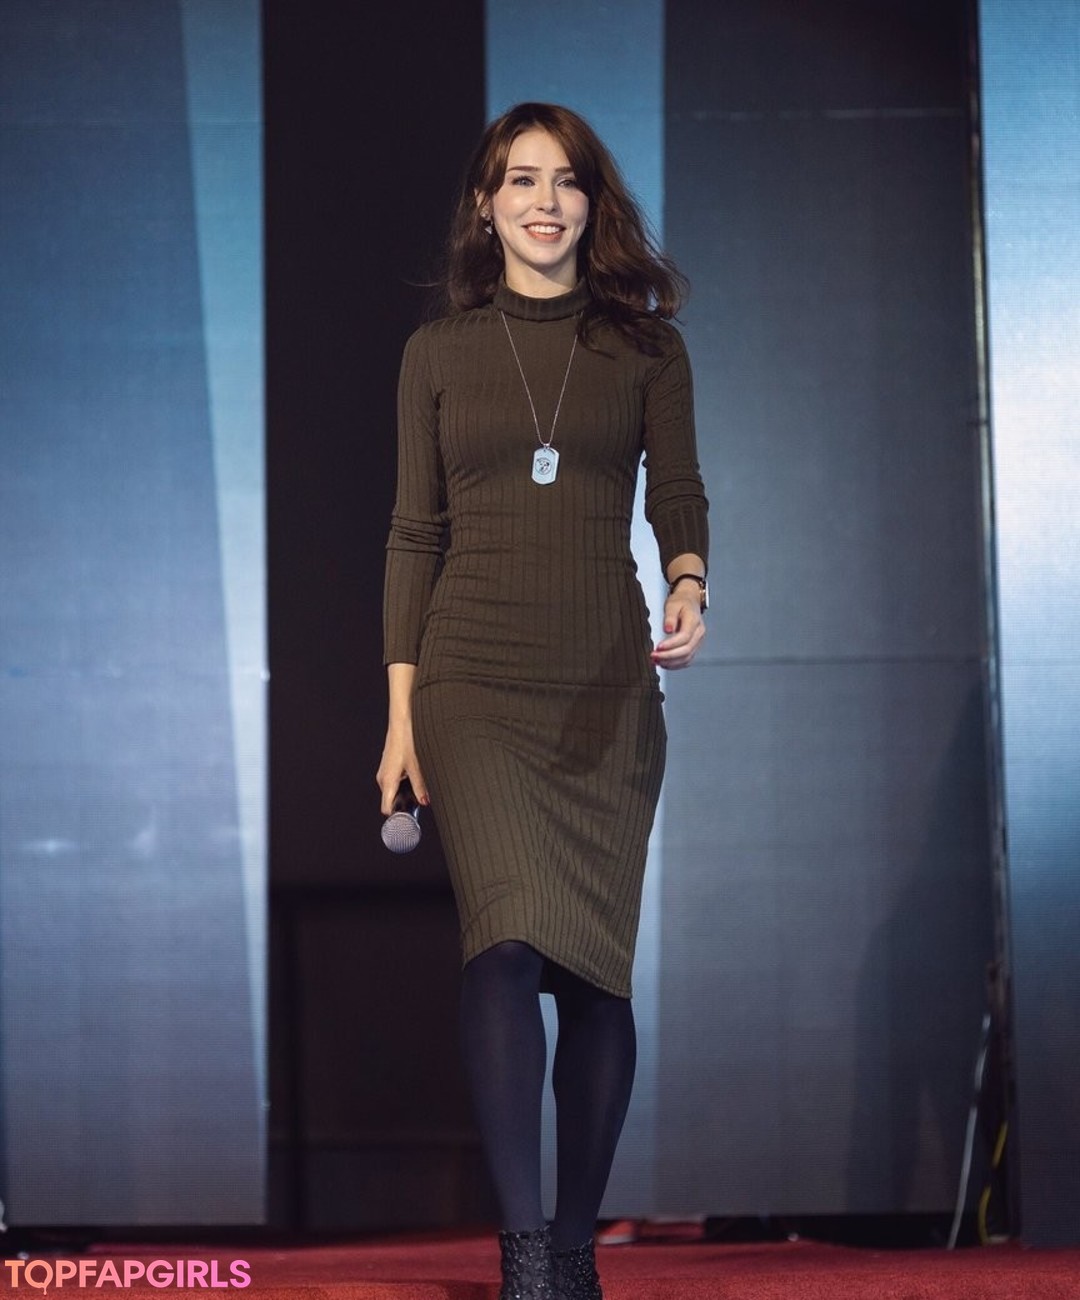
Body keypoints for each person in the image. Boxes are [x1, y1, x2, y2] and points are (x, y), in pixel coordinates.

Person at [377, 102, 709, 1300]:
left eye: (565, 180)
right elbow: (413, 534)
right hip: (470, 679)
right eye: (520, 179)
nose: (544, 201)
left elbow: (678, 486)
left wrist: (689, 577)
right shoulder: (437, 353)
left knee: (597, 975)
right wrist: (401, 716)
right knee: (506, 939)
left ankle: (575, 1246)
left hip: (605, 684)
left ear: (591, 201)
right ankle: (526, 1255)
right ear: (486, 204)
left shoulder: (647, 348)